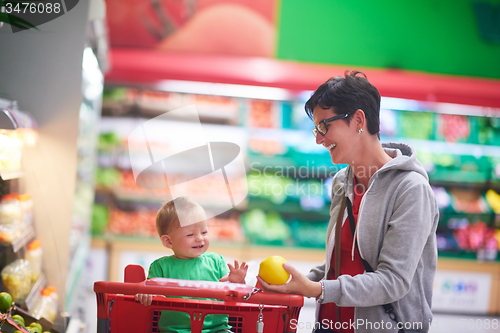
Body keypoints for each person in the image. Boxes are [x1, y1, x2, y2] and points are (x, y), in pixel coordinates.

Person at [257, 70, 439, 333]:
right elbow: (340, 264)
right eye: (316, 129)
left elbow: (394, 281)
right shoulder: (343, 181)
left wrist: (317, 289)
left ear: (357, 120)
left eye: (324, 126)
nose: (319, 138)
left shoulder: (411, 190)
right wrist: (296, 282)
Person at [135, 196, 248, 333]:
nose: (200, 238)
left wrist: (238, 282)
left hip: (217, 329)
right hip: (174, 330)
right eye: (190, 234)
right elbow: (150, 295)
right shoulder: (160, 267)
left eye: (204, 232)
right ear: (168, 241)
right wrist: (145, 294)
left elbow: (236, 296)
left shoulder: (216, 261)